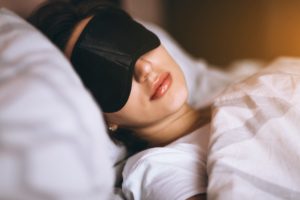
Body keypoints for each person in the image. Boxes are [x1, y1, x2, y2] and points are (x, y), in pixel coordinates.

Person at [28, 1, 211, 199]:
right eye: (107, 75)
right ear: (103, 116)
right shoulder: (160, 167)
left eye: (131, 41)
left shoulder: (225, 97)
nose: (144, 69)